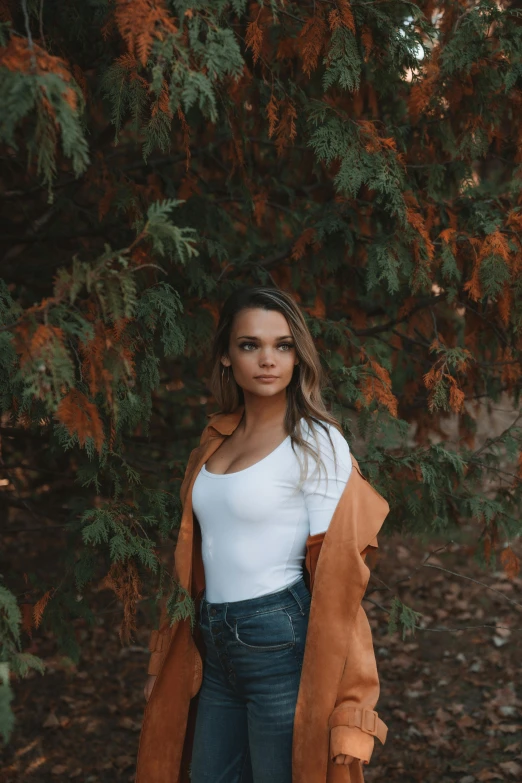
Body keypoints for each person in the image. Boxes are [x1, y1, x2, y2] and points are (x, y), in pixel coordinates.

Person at [137, 286, 389, 783]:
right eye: (250, 345)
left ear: (299, 357)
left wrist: (345, 687)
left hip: (279, 640)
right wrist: (166, 657)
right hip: (212, 643)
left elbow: (338, 574)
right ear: (228, 358)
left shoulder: (317, 442)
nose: (267, 359)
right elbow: (192, 557)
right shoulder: (216, 439)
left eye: (283, 345)